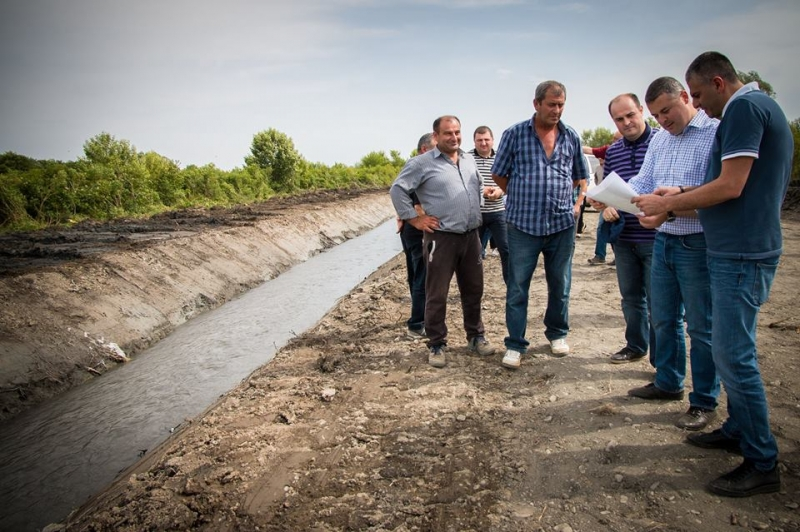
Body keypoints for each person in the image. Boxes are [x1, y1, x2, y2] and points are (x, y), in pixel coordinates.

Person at [634, 51, 793, 498]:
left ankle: (761, 461)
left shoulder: (743, 109)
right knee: (728, 351)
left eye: (699, 95)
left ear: (719, 83)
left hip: (741, 251)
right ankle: (739, 430)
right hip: (736, 247)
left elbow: (730, 185)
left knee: (733, 356)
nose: (700, 105)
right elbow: (731, 183)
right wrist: (680, 194)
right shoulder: (755, 107)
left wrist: (668, 203)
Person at [624, 76, 720, 432]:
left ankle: (704, 400)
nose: (662, 120)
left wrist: (669, 208)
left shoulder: (715, 131)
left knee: (701, 326)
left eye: (667, 110)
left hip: (698, 243)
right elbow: (644, 181)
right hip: (663, 241)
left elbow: (718, 193)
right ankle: (668, 381)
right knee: (663, 319)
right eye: (656, 115)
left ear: (685, 96)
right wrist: (616, 194)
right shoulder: (660, 139)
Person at [491, 80, 589, 369]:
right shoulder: (514, 134)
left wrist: (573, 204)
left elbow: (579, 176)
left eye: (561, 105)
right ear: (536, 104)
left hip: (561, 224)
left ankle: (557, 334)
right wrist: (522, 195)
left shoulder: (571, 136)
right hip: (522, 225)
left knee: (560, 284)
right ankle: (515, 344)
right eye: (551, 105)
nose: (556, 110)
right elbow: (499, 174)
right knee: (518, 287)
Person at [390, 115, 495, 368]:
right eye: (448, 133)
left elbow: (476, 187)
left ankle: (476, 336)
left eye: (457, 132)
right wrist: (414, 219)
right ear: (436, 136)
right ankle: (436, 343)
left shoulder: (468, 159)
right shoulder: (422, 163)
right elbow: (398, 189)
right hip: (442, 238)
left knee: (474, 290)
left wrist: (484, 197)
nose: (454, 137)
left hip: (471, 236)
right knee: (437, 293)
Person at [589, 94, 657, 364]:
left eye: (630, 115)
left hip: (656, 236)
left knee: (659, 303)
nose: (626, 122)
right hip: (624, 237)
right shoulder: (614, 151)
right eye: (619, 119)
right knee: (631, 298)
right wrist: (603, 205)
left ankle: (662, 362)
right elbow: (609, 190)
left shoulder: (662, 142)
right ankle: (636, 346)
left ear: (642, 110)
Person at [396, 133, 435, 337]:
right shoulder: (419, 166)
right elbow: (401, 193)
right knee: (422, 275)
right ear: (424, 149)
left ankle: (418, 317)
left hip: (410, 227)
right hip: (416, 228)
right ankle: (417, 322)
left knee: (416, 273)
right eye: (435, 146)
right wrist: (415, 217)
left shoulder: (417, 167)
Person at [469, 126, 509, 284]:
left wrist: (501, 190)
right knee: (473, 254)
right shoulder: (466, 158)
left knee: (506, 249)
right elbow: (460, 183)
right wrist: (482, 191)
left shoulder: (502, 158)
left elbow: (510, 180)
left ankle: (511, 285)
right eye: (479, 140)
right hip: (475, 213)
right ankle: (473, 287)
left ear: (493, 140)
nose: (483, 143)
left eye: (486, 139)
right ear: (474, 141)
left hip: (498, 212)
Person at [585, 132, 622, 265]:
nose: (613, 142)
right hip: (607, 201)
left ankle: (618, 256)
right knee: (603, 228)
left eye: (616, 139)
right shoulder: (602, 164)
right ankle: (600, 255)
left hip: (622, 201)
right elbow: (589, 150)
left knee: (617, 230)